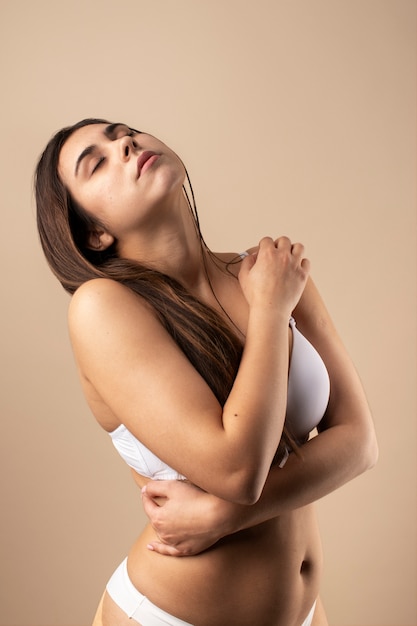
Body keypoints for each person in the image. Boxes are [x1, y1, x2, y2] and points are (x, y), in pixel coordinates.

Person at [35, 118, 378, 626]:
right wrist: (268, 313)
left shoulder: (270, 273)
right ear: (96, 233)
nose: (125, 144)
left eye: (122, 132)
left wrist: (223, 516)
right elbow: (237, 471)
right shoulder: (103, 308)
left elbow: (359, 443)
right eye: (98, 162)